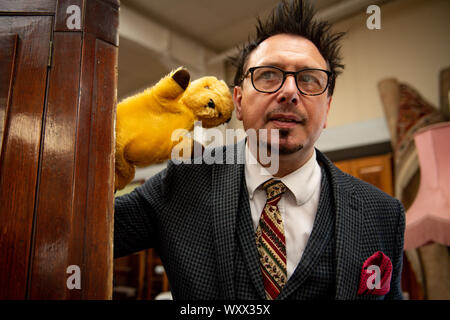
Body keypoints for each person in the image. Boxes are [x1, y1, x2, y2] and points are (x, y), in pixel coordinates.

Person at [114, 0, 405, 300]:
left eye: (308, 79)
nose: (290, 92)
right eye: (268, 75)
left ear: (327, 108)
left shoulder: (383, 214)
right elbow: (76, 235)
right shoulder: (181, 184)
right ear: (238, 102)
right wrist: (109, 149)